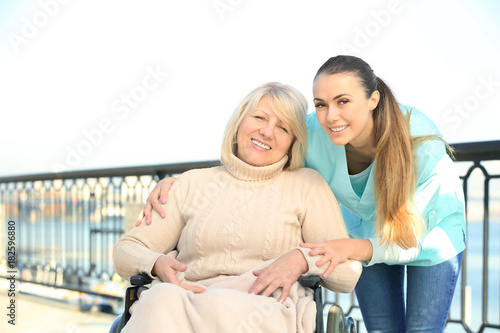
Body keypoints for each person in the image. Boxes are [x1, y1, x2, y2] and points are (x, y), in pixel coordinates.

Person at [141, 56, 466, 333]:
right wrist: (178, 184)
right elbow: (259, 155)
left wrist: (324, 252)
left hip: (426, 237)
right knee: (381, 330)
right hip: (362, 235)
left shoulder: (422, 142)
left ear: (373, 99)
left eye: (343, 101)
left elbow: (413, 237)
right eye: (321, 105)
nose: (331, 116)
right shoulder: (314, 131)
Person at [114, 82, 362, 333]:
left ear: (293, 142)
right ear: (239, 122)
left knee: (218, 304)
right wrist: (156, 263)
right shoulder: (190, 183)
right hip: (188, 298)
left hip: (263, 306)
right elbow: (126, 251)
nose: (267, 132)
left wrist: (302, 260)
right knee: (159, 298)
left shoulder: (308, 186)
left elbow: (347, 275)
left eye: (283, 127)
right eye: (259, 117)